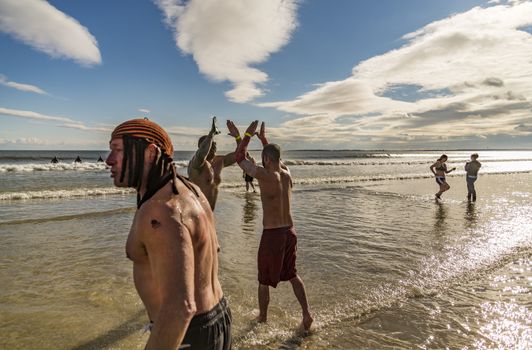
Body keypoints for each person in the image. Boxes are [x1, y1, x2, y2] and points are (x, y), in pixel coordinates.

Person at [106, 118, 231, 350]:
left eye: (118, 150)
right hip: (218, 318)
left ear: (150, 153)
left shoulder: (159, 211)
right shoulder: (190, 190)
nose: (108, 160)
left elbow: (180, 308)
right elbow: (213, 249)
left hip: (188, 333)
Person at [235, 120, 313, 332]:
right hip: (290, 232)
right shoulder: (287, 173)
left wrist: (248, 135)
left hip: (273, 235)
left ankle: (262, 318)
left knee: (263, 279)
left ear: (267, 159)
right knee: (293, 274)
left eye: (263, 159)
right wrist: (263, 140)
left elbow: (239, 158)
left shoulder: (264, 175)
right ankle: (307, 314)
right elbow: (274, 156)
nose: (261, 161)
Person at [188, 117, 241, 210]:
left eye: (214, 144)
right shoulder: (196, 164)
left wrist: (238, 137)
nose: (214, 145)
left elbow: (239, 155)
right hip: (195, 211)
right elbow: (202, 153)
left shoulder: (219, 161)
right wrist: (211, 134)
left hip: (210, 213)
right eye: (211, 144)